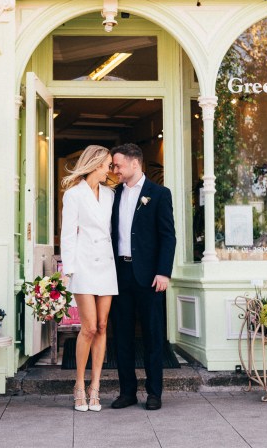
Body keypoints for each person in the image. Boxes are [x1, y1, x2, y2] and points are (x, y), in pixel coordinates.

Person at [110, 143, 176, 411]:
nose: (115, 170)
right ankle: (127, 392)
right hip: (119, 274)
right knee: (122, 336)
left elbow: (168, 236)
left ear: (134, 163)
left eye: (118, 165)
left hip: (149, 276)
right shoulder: (113, 194)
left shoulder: (158, 194)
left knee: (152, 335)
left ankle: (154, 392)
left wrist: (163, 272)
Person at [61, 145, 118, 412]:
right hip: (83, 266)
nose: (111, 169)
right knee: (89, 327)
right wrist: (69, 270)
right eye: (108, 164)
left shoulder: (110, 195)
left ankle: (96, 386)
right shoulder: (73, 195)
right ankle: (79, 386)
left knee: (103, 325)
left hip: (106, 265)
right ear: (96, 164)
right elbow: (68, 235)